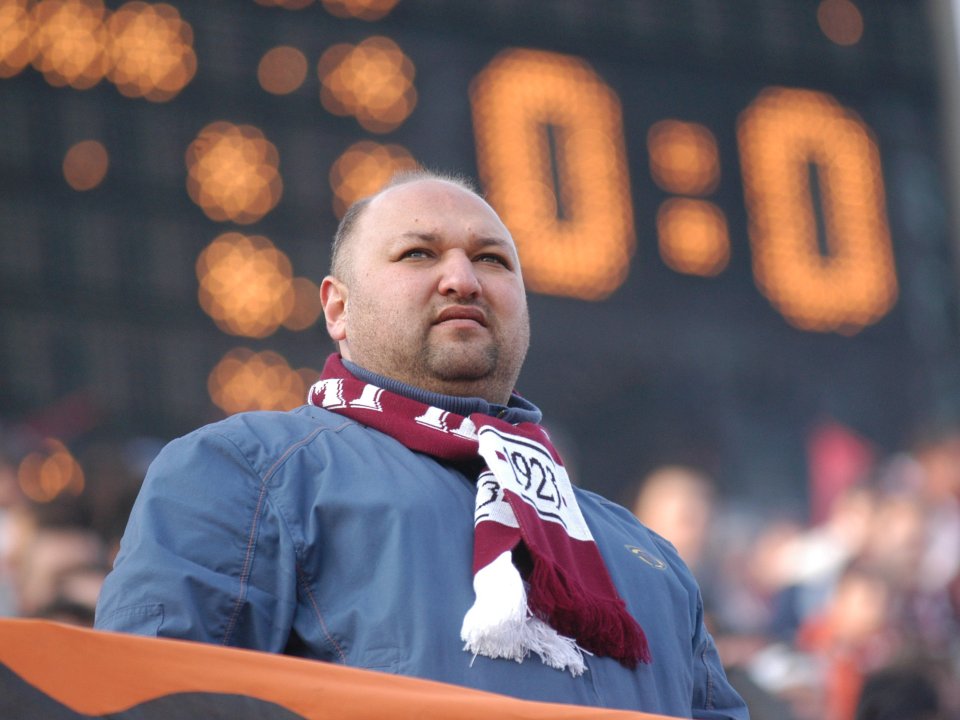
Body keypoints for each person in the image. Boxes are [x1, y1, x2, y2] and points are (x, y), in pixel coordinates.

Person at [95, 170, 749, 719]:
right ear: (337, 309)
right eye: (418, 254)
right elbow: (151, 701)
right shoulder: (246, 470)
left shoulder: (653, 562)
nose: (463, 279)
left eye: (491, 259)